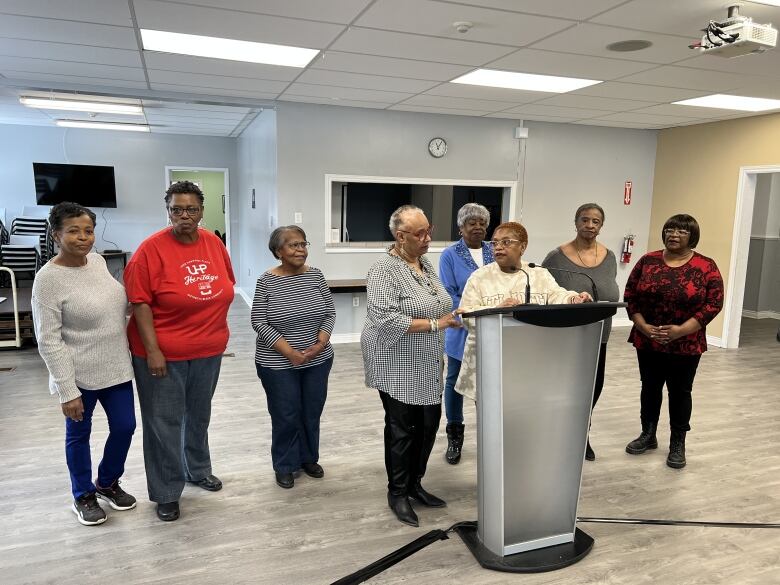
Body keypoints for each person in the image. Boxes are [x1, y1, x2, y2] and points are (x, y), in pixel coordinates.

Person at [124, 181, 235, 521]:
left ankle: (197, 469)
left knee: (198, 415)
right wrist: (154, 351)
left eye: (191, 209)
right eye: (177, 209)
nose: (184, 215)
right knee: (164, 423)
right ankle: (166, 492)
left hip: (208, 348)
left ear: (202, 211)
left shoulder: (214, 242)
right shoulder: (151, 249)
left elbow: (226, 286)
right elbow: (139, 303)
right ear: (168, 210)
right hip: (162, 353)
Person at [32, 202, 137, 526]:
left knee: (125, 426)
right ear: (56, 234)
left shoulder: (98, 261)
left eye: (88, 230)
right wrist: (67, 390)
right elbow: (48, 339)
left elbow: (114, 306)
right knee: (79, 436)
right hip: (77, 376)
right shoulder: (47, 280)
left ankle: (106, 482)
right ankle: (82, 495)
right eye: (73, 231)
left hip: (116, 367)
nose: (83, 238)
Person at [362, 205, 462, 528]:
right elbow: (386, 319)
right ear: (399, 236)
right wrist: (436, 324)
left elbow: (440, 302)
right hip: (397, 364)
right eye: (420, 234)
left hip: (429, 362)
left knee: (430, 425)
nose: (427, 238)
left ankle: (415, 483)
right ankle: (398, 492)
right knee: (402, 430)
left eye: (428, 230)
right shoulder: (383, 269)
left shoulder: (425, 263)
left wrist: (452, 317)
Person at [623, 214, 723, 469]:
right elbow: (630, 295)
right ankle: (648, 434)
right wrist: (643, 326)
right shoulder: (648, 261)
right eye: (669, 229)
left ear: (692, 236)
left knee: (680, 392)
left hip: (685, 343)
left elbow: (714, 303)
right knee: (650, 387)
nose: (673, 234)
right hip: (649, 340)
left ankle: (678, 442)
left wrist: (681, 331)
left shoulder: (705, 266)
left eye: (681, 231)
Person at [458, 221, 591, 401]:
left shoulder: (537, 273)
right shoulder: (480, 277)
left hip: (529, 358)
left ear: (523, 246)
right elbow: (465, 314)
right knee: (492, 420)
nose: (498, 247)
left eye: (506, 242)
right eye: (495, 242)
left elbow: (556, 295)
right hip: (491, 362)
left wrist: (574, 299)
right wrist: (495, 310)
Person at [251, 226, 335, 489]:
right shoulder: (267, 281)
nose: (301, 250)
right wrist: (290, 353)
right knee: (286, 413)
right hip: (277, 363)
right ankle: (285, 464)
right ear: (278, 251)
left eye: (303, 244)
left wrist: (320, 344)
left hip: (317, 360)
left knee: (311, 411)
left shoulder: (316, 276)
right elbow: (259, 321)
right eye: (293, 245)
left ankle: (309, 458)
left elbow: (329, 313)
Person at [543, 203, 619, 461]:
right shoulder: (556, 257)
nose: (589, 225)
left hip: (599, 334)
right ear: (576, 223)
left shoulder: (609, 257)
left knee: (593, 387)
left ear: (601, 226)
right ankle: (559, 434)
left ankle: (580, 433)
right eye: (584, 220)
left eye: (595, 221)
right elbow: (544, 294)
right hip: (566, 336)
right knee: (566, 388)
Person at [438, 203, 494, 465]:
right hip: (462, 328)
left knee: (487, 382)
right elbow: (448, 293)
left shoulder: (496, 251)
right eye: (472, 222)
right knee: (455, 381)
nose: (478, 227)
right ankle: (455, 434)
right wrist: (471, 312)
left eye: (482, 222)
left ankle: (489, 435)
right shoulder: (449, 255)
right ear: (461, 227)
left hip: (493, 328)